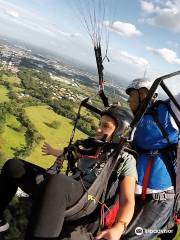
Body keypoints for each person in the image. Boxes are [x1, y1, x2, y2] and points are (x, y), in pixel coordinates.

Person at [0, 105, 137, 240]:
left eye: (105, 126)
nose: (98, 129)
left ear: (120, 132)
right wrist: (52, 151)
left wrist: (119, 227)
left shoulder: (125, 159)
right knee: (14, 166)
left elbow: (128, 200)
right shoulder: (92, 146)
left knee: (58, 182)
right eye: (99, 124)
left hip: (88, 200)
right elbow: (70, 153)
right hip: (67, 190)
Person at [122, 78, 179, 240]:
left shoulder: (165, 116)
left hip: (158, 199)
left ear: (143, 94)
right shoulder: (139, 120)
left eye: (131, 95)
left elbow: (144, 137)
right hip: (135, 195)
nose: (128, 100)